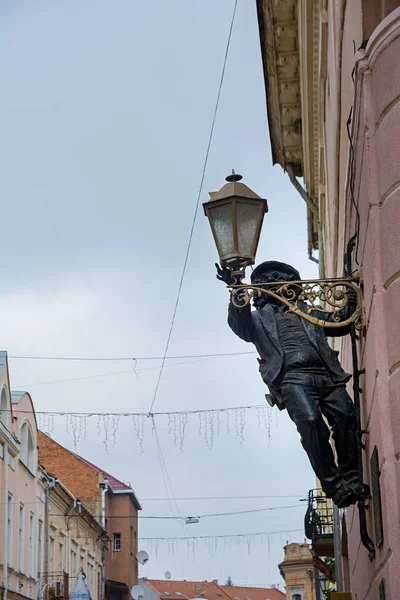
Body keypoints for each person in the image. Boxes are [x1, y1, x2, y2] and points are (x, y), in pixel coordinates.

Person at [216, 260, 360, 508]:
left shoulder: (308, 313)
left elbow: (343, 321)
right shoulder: (256, 320)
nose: (280, 284)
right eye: (272, 280)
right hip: (293, 379)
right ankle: (335, 485)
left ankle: (353, 479)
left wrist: (351, 289)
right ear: (262, 289)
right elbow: (238, 323)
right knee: (312, 423)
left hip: (327, 375)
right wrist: (236, 286)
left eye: (284, 279)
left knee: (347, 417)